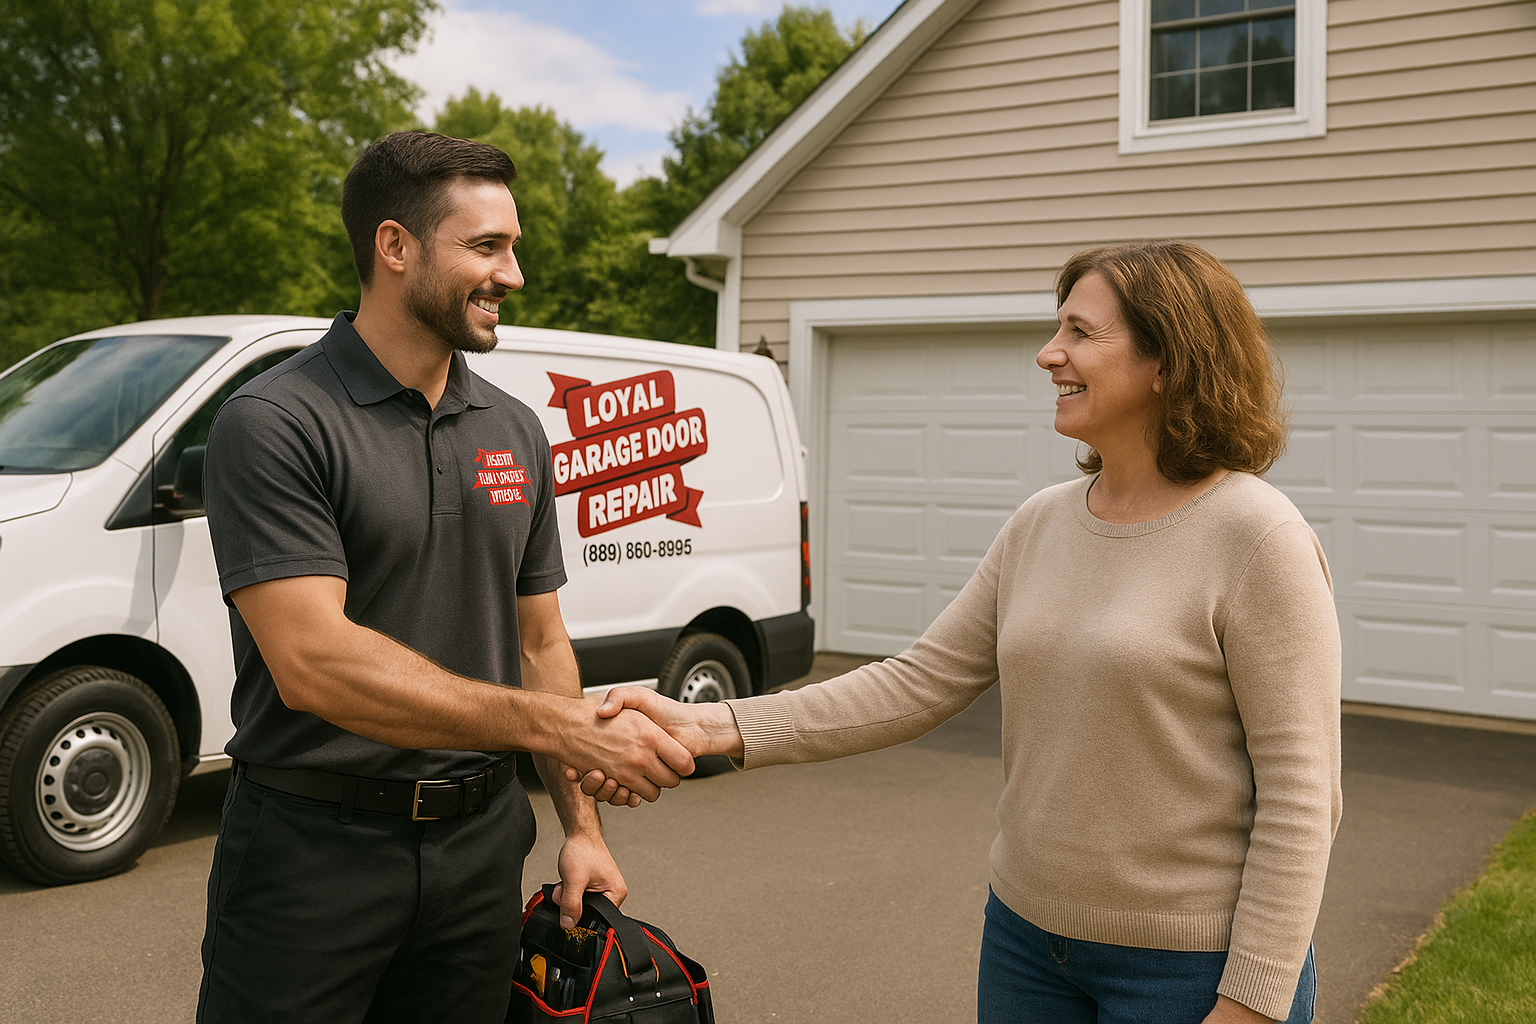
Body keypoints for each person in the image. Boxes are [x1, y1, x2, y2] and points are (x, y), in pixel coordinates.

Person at [582, 240, 1342, 1024]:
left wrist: (1252, 999)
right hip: (1027, 945)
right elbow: (915, 683)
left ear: (1167, 362)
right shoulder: (1040, 525)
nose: (1050, 354)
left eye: (1081, 333)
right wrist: (710, 723)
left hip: (1186, 970)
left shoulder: (1257, 539)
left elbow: (1301, 797)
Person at [197, 130, 693, 1024]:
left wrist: (581, 829)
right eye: (487, 246)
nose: (514, 274)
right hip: (313, 854)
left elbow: (541, 642)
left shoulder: (514, 428)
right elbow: (316, 664)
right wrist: (563, 730)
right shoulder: (275, 420)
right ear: (395, 246)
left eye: (513, 246)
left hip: (480, 853)